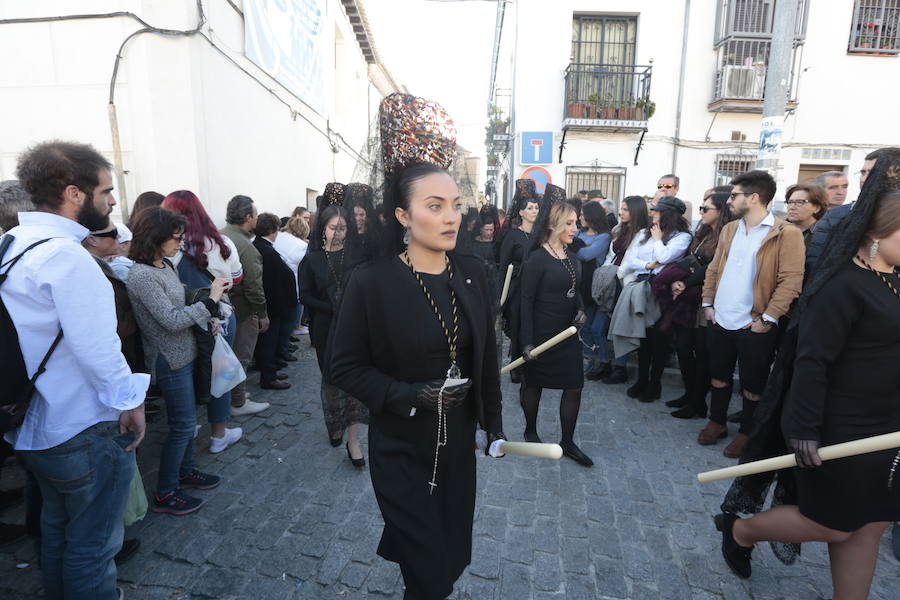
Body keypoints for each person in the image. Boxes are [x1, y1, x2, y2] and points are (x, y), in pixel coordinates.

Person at [329, 92, 505, 600]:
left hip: (457, 454)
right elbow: (344, 366)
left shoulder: (472, 273)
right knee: (428, 575)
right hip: (402, 449)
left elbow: (485, 359)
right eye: (435, 207)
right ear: (403, 216)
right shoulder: (372, 282)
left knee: (447, 562)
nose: (451, 217)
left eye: (455, 206)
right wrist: (411, 395)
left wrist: (491, 423)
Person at [716, 182, 900, 599]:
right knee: (832, 522)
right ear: (876, 233)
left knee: (872, 522)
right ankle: (741, 529)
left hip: (889, 424)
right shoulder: (842, 286)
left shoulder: (896, 279)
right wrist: (803, 427)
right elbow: (811, 361)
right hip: (840, 425)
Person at [5, 140, 148, 599]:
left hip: (34, 424)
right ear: (73, 193)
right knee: (92, 545)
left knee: (58, 531)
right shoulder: (66, 257)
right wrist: (132, 403)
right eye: (106, 191)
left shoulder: (11, 243)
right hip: (81, 424)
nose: (112, 201)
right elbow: (99, 350)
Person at [127, 207, 231, 515]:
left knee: (188, 423)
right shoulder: (142, 275)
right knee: (183, 426)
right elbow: (171, 320)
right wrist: (210, 301)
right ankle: (166, 491)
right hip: (168, 361)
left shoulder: (165, 266)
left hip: (185, 353)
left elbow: (182, 302)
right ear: (154, 238)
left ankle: (186, 471)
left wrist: (207, 310)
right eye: (175, 237)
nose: (180, 242)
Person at [698, 171, 804, 459]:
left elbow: (791, 280)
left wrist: (768, 318)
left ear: (754, 198)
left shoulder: (786, 233)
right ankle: (716, 421)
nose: (729, 200)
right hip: (720, 318)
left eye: (734, 195)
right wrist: (708, 304)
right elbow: (714, 268)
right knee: (718, 376)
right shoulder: (730, 229)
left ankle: (747, 432)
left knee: (752, 385)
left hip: (754, 323)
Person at [162, 190, 245, 452]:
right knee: (219, 371)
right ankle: (219, 434)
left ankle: (190, 425)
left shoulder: (167, 244)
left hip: (183, 317)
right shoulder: (221, 242)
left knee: (189, 370)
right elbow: (236, 279)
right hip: (219, 317)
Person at [519, 191, 592, 466]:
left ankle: (568, 441)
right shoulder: (537, 259)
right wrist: (526, 342)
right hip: (540, 335)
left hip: (567, 335)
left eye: (577, 223)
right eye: (570, 223)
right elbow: (525, 303)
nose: (575, 229)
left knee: (574, 386)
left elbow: (577, 292)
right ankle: (530, 430)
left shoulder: (573, 258)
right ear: (553, 225)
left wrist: (581, 310)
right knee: (534, 384)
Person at [298, 201, 367, 463]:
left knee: (352, 380)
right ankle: (334, 421)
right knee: (332, 380)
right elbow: (304, 295)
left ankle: (353, 440)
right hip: (326, 328)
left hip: (355, 326)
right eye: (333, 228)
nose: (338, 233)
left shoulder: (356, 255)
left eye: (343, 228)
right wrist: (331, 306)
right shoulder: (312, 260)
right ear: (322, 229)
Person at [662, 191, 734, 419]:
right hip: (688, 300)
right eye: (701, 208)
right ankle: (689, 394)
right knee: (683, 348)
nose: (701, 212)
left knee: (702, 354)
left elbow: (713, 267)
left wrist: (684, 281)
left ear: (721, 211)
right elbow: (689, 260)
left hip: (706, 299)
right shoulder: (702, 232)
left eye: (706, 209)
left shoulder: (727, 235)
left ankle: (698, 402)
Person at [612, 197, 692, 402]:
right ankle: (641, 380)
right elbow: (632, 260)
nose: (653, 214)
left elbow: (665, 258)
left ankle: (654, 384)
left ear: (668, 215)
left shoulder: (681, 237)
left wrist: (657, 241)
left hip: (663, 292)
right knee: (643, 337)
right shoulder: (642, 233)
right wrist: (648, 265)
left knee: (659, 339)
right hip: (641, 286)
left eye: (657, 211)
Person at [805, 148, 900, 272]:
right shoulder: (835, 216)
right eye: (863, 172)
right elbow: (816, 263)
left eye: (872, 173)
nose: (864, 179)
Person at [220, 195, 271, 416]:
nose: (257, 219)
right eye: (256, 215)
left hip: (223, 308)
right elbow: (253, 287)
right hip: (241, 310)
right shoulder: (245, 247)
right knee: (241, 355)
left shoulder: (220, 235)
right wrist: (262, 313)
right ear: (248, 217)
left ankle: (234, 395)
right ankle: (238, 402)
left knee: (230, 355)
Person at [600, 195, 651, 385]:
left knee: (621, 326)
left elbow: (633, 261)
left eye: (626, 210)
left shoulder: (644, 234)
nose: (621, 212)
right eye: (621, 209)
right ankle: (607, 365)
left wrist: (617, 274)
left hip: (627, 283)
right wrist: (606, 273)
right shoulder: (617, 229)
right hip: (611, 280)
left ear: (636, 212)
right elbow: (610, 255)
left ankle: (620, 368)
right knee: (605, 324)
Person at [498, 179, 540, 376]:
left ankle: (531, 360)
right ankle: (515, 365)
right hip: (515, 285)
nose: (534, 210)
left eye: (536, 207)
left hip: (537, 286)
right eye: (530, 208)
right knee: (516, 323)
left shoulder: (541, 236)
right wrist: (500, 294)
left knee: (532, 323)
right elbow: (503, 264)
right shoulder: (513, 236)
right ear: (521, 212)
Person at [252, 213, 296, 390]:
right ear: (272, 229)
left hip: (271, 305)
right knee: (268, 343)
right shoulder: (266, 250)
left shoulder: (261, 246)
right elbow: (271, 283)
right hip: (272, 306)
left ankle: (271, 370)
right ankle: (268, 377)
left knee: (269, 342)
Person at [574, 201, 612, 379]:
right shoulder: (579, 233)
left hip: (597, 288)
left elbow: (584, 254)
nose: (580, 217)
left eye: (582, 214)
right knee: (585, 326)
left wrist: (573, 246)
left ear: (592, 217)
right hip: (580, 285)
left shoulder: (603, 237)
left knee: (595, 327)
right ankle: (587, 359)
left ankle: (604, 362)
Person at [274, 215, 310, 340]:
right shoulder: (302, 246)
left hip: (273, 282)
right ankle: (288, 337)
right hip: (291, 284)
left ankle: (285, 341)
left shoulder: (278, 236)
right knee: (289, 316)